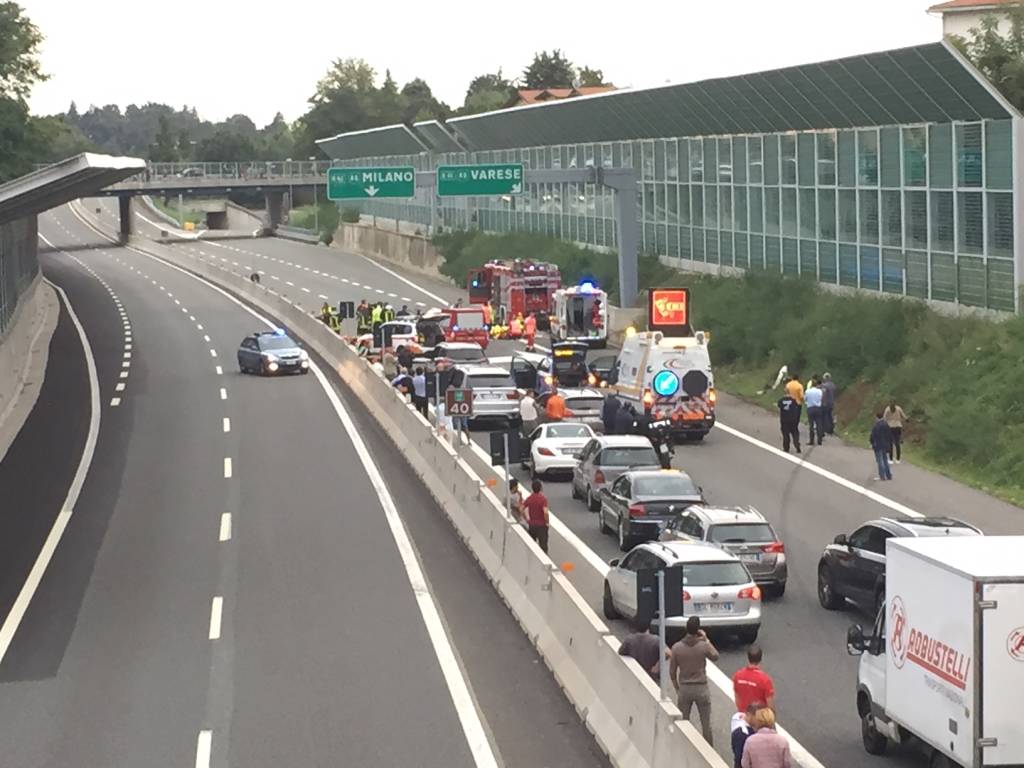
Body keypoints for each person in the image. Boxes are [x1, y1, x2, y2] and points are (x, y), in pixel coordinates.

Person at [669, 616, 719, 745]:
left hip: (685, 688)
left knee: (684, 722)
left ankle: (683, 746)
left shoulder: (676, 647)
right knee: (706, 724)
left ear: (686, 628)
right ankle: (708, 750)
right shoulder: (703, 646)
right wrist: (706, 639)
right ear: (698, 630)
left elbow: (672, 672)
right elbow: (715, 656)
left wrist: (677, 688)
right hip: (701, 688)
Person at [732, 645, 776, 714]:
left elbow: (737, 697)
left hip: (743, 716)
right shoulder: (765, 680)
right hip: (758, 718)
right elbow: (770, 704)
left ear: (748, 658)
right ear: (761, 659)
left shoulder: (737, 676)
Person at [618, 618, 662, 682]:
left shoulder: (629, 639)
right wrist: (657, 666)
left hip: (635, 673)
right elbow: (668, 653)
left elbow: (621, 652)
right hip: (651, 675)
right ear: (648, 629)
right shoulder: (656, 640)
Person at [522, 479, 550, 552]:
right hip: (541, 526)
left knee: (532, 546)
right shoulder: (543, 499)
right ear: (540, 488)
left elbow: (521, 508)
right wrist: (547, 522)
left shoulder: (529, 498)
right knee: (543, 546)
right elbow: (545, 512)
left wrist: (527, 519)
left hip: (532, 525)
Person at [732, 704, 758, 768]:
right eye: (757, 717)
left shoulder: (737, 718)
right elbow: (739, 756)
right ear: (749, 715)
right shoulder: (744, 733)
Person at [870, 411, 894, 481]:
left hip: (878, 445)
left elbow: (873, 436)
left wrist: (872, 443)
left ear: (877, 417)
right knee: (885, 460)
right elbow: (889, 435)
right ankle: (888, 475)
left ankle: (882, 476)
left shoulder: (876, 426)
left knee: (880, 461)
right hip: (885, 445)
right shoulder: (886, 424)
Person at [883, 398, 907, 464]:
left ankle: (890, 459)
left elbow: (884, 418)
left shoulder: (887, 409)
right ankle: (898, 459)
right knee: (897, 443)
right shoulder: (898, 408)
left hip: (890, 427)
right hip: (898, 426)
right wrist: (906, 419)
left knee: (890, 443)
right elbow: (904, 416)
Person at [804, 378, 824, 446]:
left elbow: (805, 399)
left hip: (810, 408)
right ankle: (819, 440)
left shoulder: (808, 391)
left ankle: (811, 440)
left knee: (811, 425)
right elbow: (821, 398)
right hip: (818, 408)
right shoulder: (820, 391)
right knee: (819, 424)